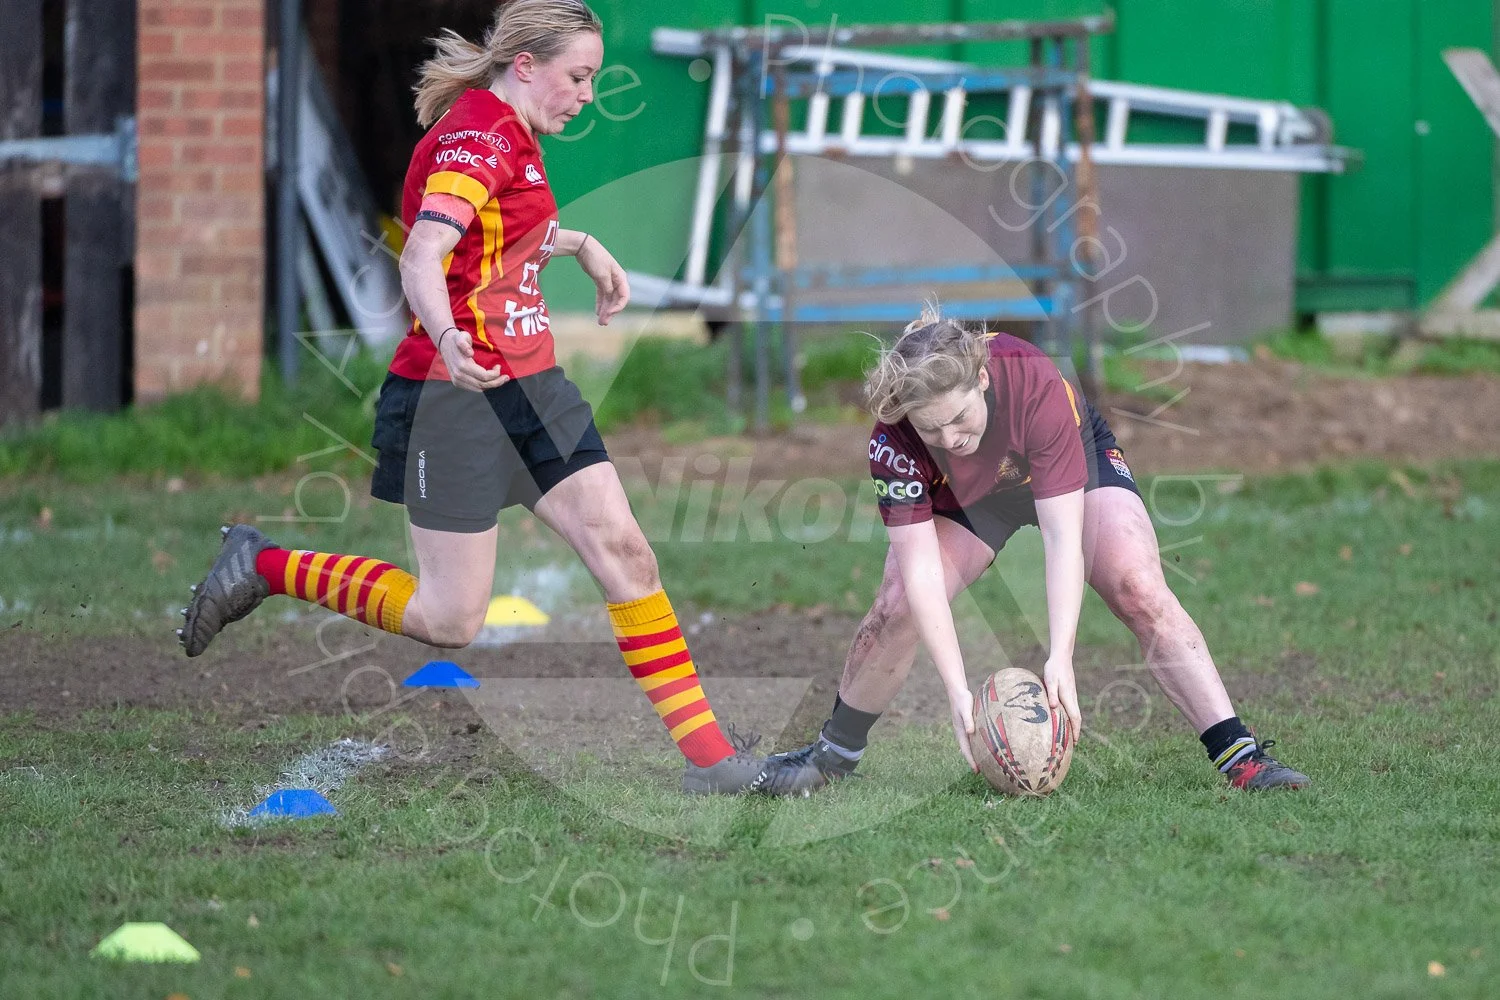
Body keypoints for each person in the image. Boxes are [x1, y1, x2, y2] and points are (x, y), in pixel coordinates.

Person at [177, 0, 769, 795]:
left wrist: (583, 245)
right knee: (450, 619)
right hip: (452, 398)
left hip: (533, 386)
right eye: (578, 76)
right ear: (525, 65)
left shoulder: (510, 133)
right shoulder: (477, 135)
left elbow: (504, 226)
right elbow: (424, 251)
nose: (587, 94)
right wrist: (449, 336)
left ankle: (712, 764)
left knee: (625, 551)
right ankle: (263, 564)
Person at [762, 307, 1310, 794]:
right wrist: (957, 689)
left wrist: (1061, 656)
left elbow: (1062, 537)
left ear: (981, 379)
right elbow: (923, 576)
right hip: (967, 495)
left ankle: (1241, 757)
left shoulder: (1032, 383)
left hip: (1066, 465)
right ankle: (831, 760)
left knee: (1136, 586)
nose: (950, 437)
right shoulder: (894, 440)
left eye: (959, 418)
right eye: (932, 428)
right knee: (897, 605)